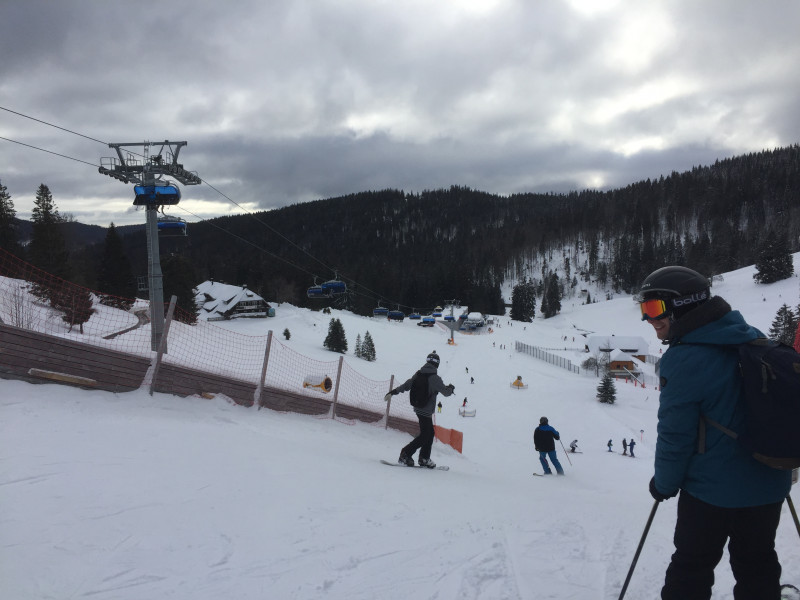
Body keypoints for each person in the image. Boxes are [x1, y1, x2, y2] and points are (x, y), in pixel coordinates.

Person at [639, 265, 791, 599]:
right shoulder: (752, 336)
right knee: (758, 565)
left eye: (653, 309)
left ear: (683, 305)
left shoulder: (683, 359)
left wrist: (663, 484)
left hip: (710, 493)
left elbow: (674, 437)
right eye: (644, 310)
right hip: (768, 484)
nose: (648, 320)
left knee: (691, 567)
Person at [386, 352, 455, 468]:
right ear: (437, 364)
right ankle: (406, 454)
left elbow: (407, 385)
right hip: (426, 411)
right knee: (425, 435)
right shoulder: (435, 378)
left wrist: (394, 392)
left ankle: (424, 458)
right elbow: (446, 393)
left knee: (429, 433)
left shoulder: (419, 374)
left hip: (418, 408)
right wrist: (451, 388)